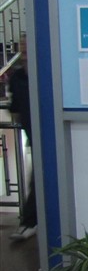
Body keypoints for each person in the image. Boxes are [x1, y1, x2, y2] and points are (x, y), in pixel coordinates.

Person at [8, 34, 38, 241]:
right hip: (31, 133)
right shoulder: (17, 77)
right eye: (22, 45)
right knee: (35, 179)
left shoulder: (42, 73)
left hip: (44, 136)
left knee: (37, 179)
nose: (24, 48)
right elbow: (15, 109)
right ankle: (30, 221)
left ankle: (30, 221)